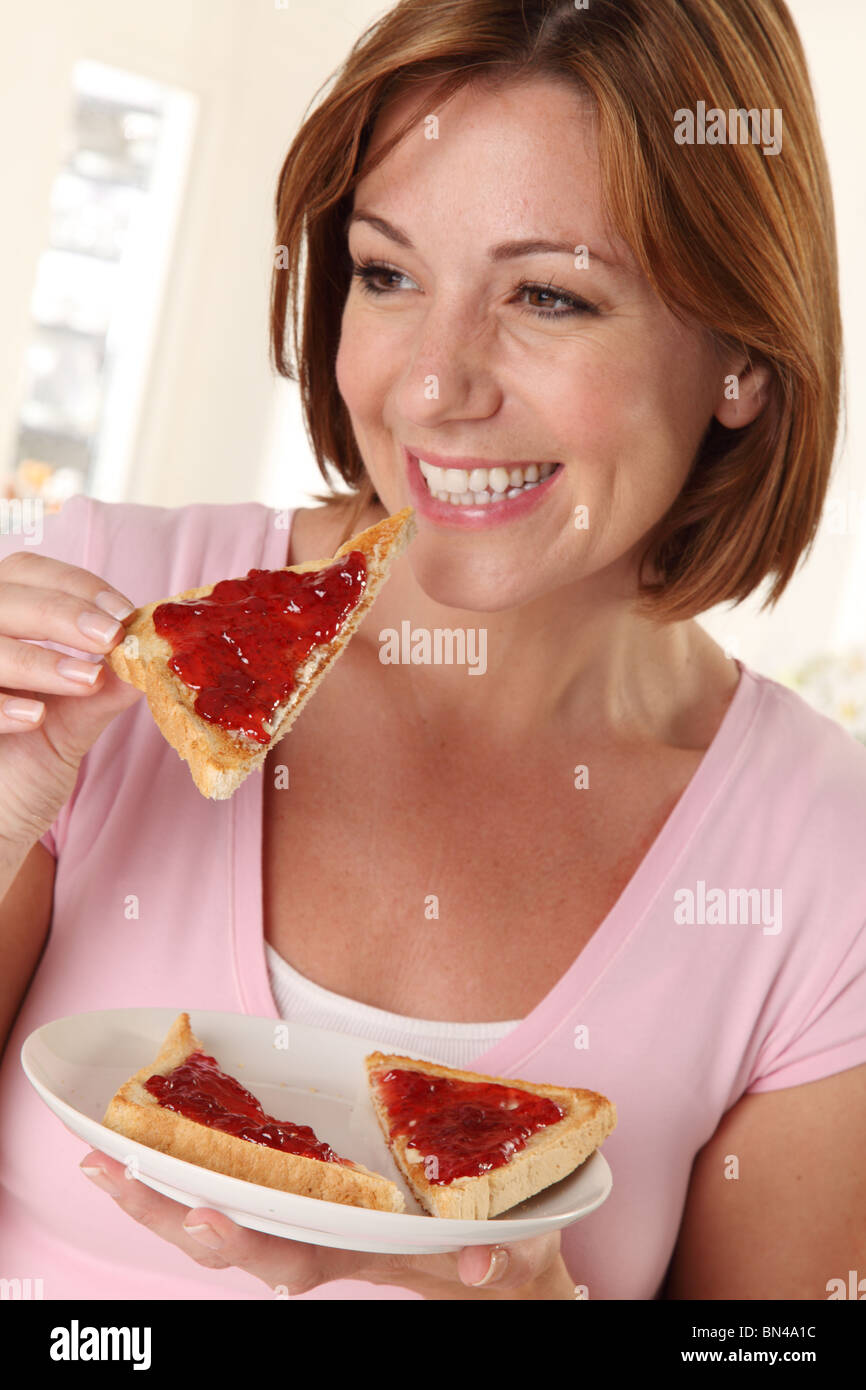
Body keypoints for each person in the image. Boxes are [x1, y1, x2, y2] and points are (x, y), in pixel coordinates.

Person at [1, 0, 864, 1302]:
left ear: (739, 354)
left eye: (548, 295)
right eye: (388, 274)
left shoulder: (821, 864)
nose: (428, 387)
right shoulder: (108, 618)